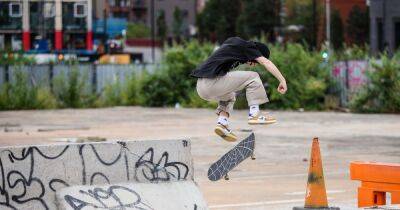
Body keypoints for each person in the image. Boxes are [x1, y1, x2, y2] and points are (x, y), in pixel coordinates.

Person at [191, 37, 287, 142]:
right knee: (253, 76)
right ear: (257, 53)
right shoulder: (248, 46)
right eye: (256, 61)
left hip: (201, 87)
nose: (254, 64)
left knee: (230, 96)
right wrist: (282, 80)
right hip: (210, 82)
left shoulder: (234, 45)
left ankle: (222, 123)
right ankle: (254, 114)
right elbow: (266, 63)